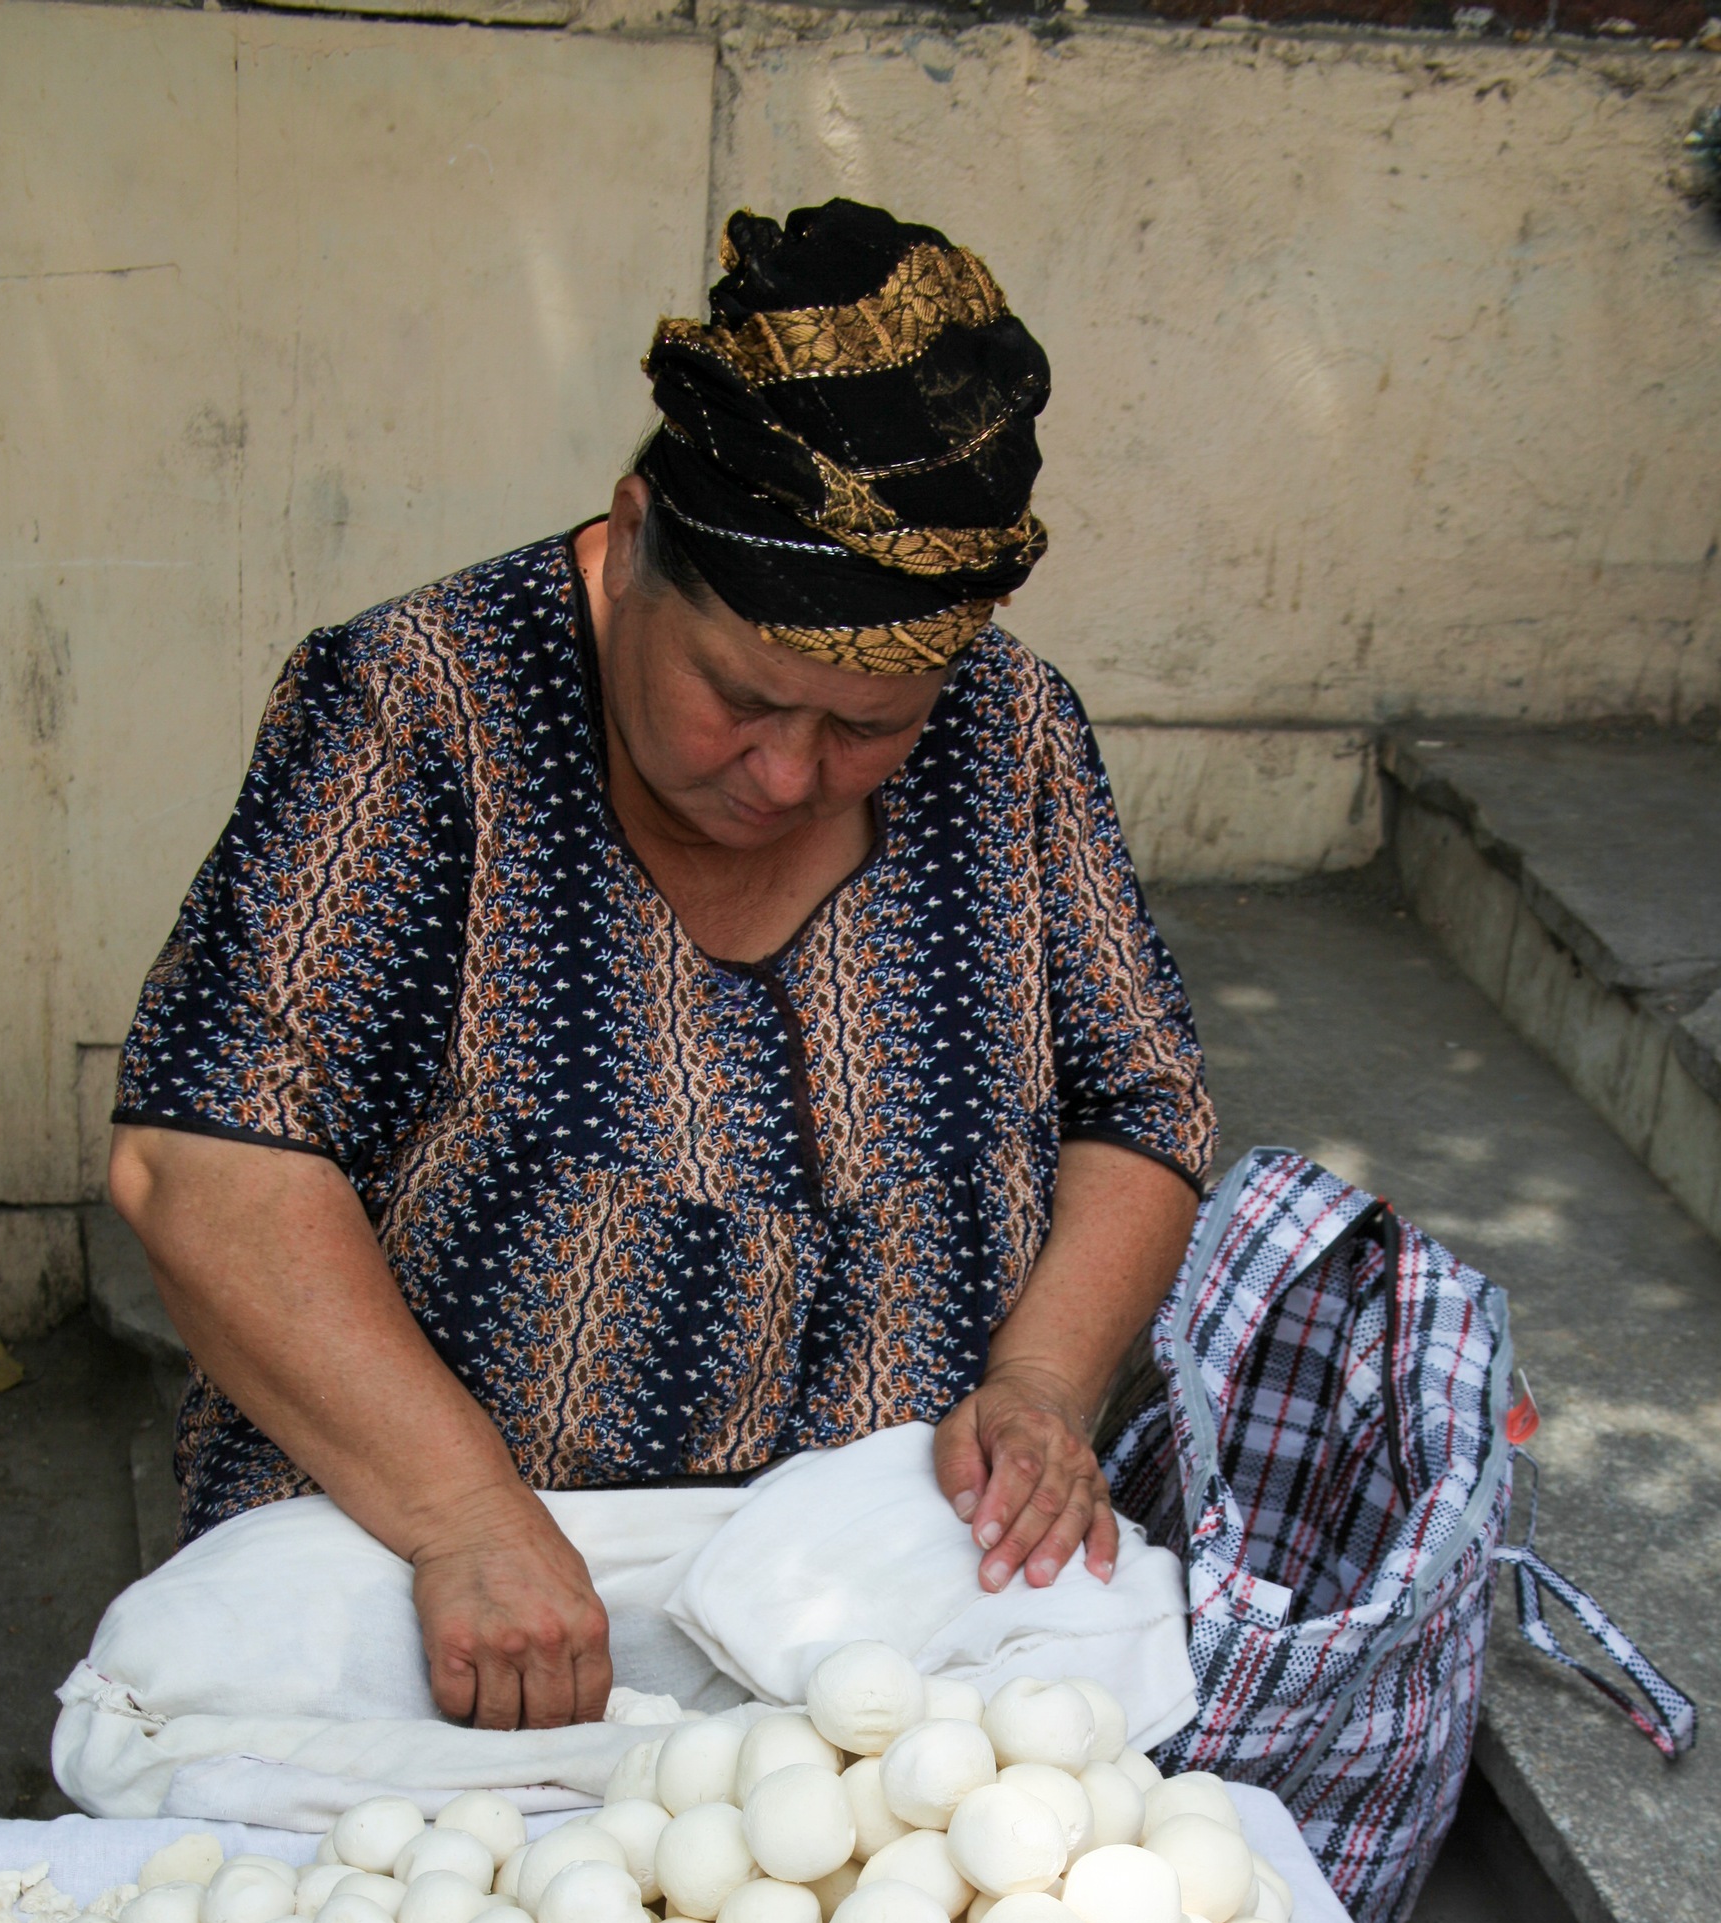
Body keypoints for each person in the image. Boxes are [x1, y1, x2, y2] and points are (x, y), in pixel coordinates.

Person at [110, 198, 1214, 1734]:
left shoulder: (1008, 728)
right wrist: (462, 1515)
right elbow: (207, 1164)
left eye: (869, 728)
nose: (788, 775)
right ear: (632, 541)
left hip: (885, 1591)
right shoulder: (419, 713)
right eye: (741, 699)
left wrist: (1043, 1382)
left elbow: (1139, 1104)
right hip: (448, 1586)